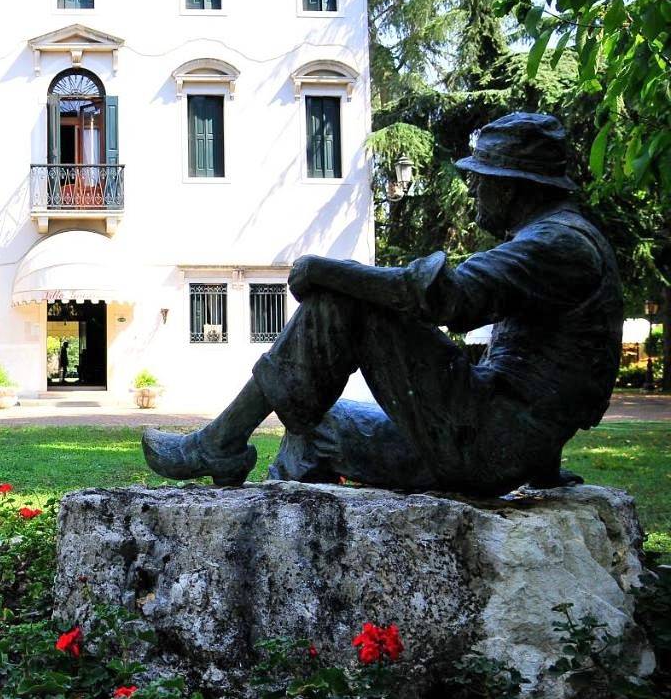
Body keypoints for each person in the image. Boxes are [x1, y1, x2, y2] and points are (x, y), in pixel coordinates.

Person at [142, 113, 622, 496]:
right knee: (316, 425)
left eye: (480, 178)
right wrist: (544, 465)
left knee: (344, 301)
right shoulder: (562, 238)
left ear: (511, 185)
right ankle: (285, 536)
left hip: (488, 447)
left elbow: (450, 299)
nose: (473, 188)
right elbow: (554, 372)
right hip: (502, 442)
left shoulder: (558, 244)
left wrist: (329, 271)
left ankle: (220, 444)